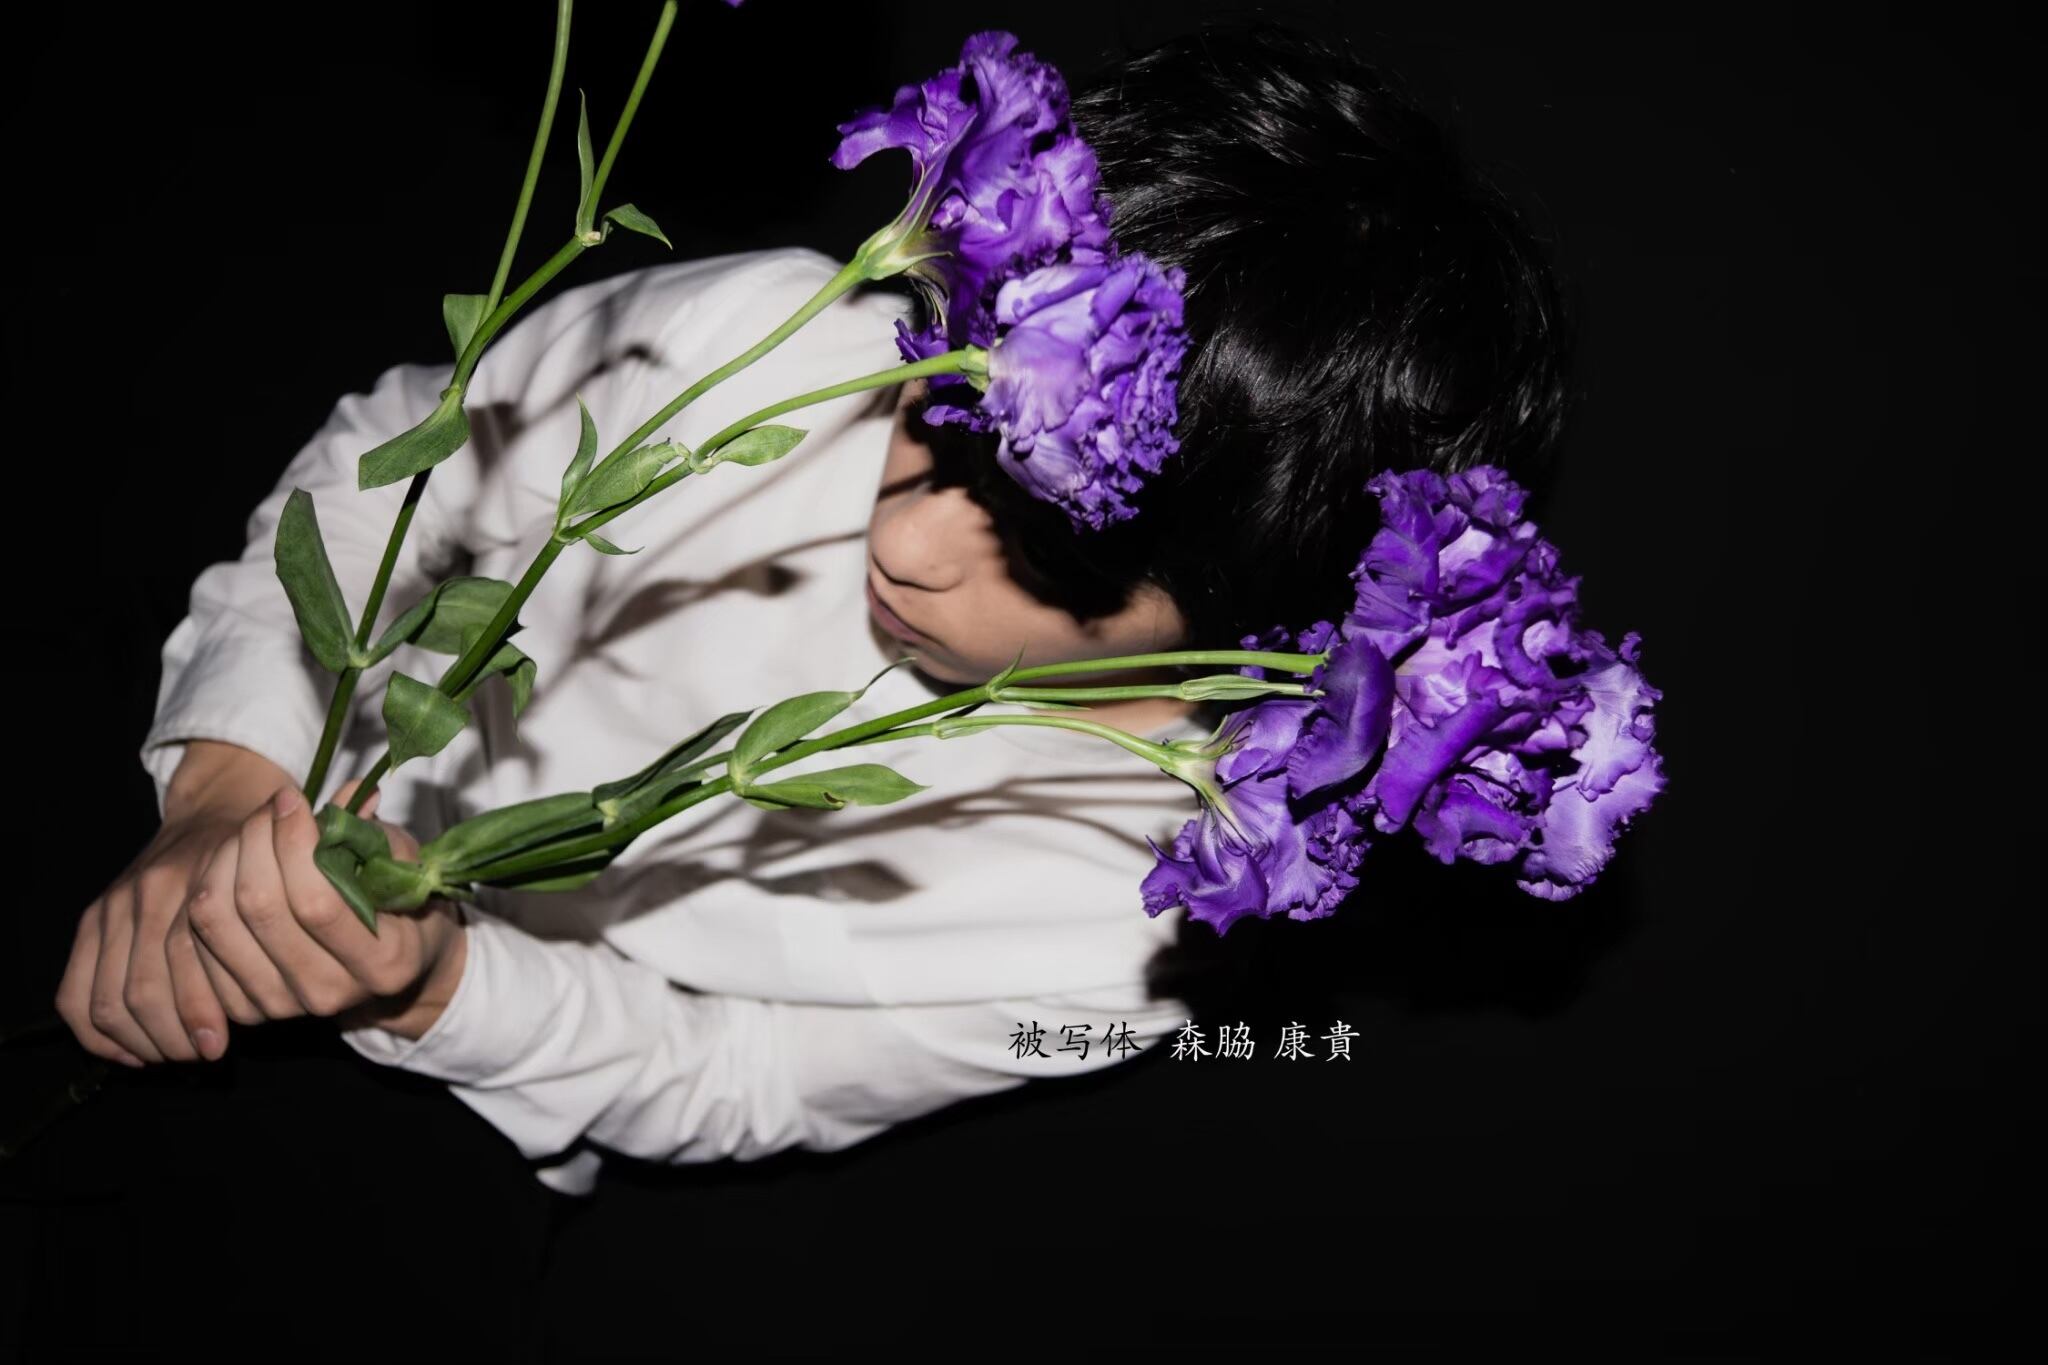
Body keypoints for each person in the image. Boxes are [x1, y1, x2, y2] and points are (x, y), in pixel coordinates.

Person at [54, 22, 1572, 1195]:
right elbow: (392, 462)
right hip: (242, 758)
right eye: (940, 410)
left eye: (1054, 554)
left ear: (1273, 642)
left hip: (469, 1094)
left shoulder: (1131, 944)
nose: (906, 540)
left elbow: (744, 1080)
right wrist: (230, 784)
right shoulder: (770, 343)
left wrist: (439, 981)